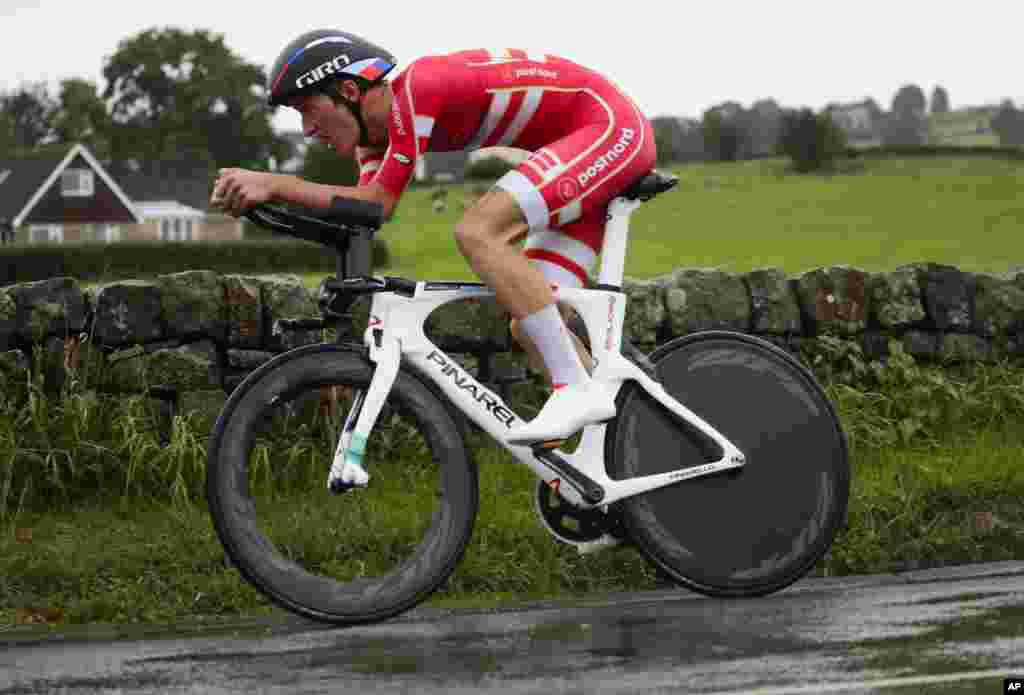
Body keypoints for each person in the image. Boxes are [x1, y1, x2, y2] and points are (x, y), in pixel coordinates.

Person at [211, 29, 657, 445]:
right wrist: (264, 206)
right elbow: (365, 211)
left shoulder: (416, 89)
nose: (307, 129)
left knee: (480, 231)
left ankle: (574, 389)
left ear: (347, 92)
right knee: (531, 321)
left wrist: (274, 184)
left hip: (609, 128)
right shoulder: (375, 141)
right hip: (579, 146)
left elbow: (378, 202)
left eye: (307, 109)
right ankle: (623, 449)